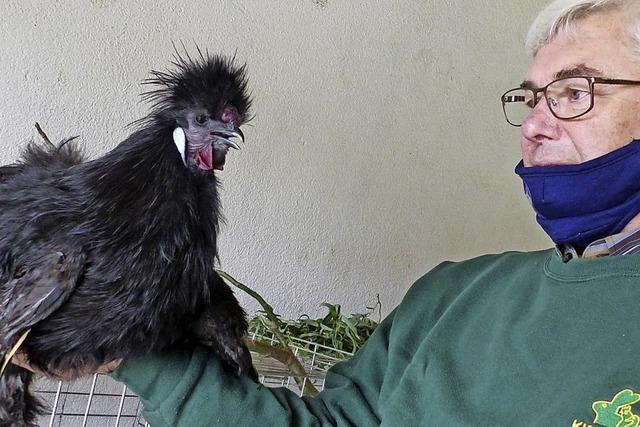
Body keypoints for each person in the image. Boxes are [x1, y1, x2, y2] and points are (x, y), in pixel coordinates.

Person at [13, 0, 640, 425]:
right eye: (530, 97)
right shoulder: (453, 297)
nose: (532, 124)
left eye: (575, 93)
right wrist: (126, 345)